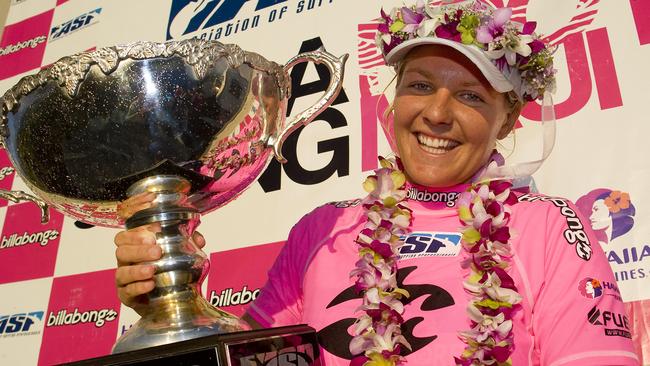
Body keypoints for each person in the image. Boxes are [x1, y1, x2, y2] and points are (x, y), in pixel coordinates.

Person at [113, 1, 640, 365]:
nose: (437, 113)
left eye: (472, 96)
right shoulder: (324, 228)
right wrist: (170, 310)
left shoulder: (546, 226)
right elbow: (255, 358)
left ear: (508, 120)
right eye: (420, 85)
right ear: (393, 101)